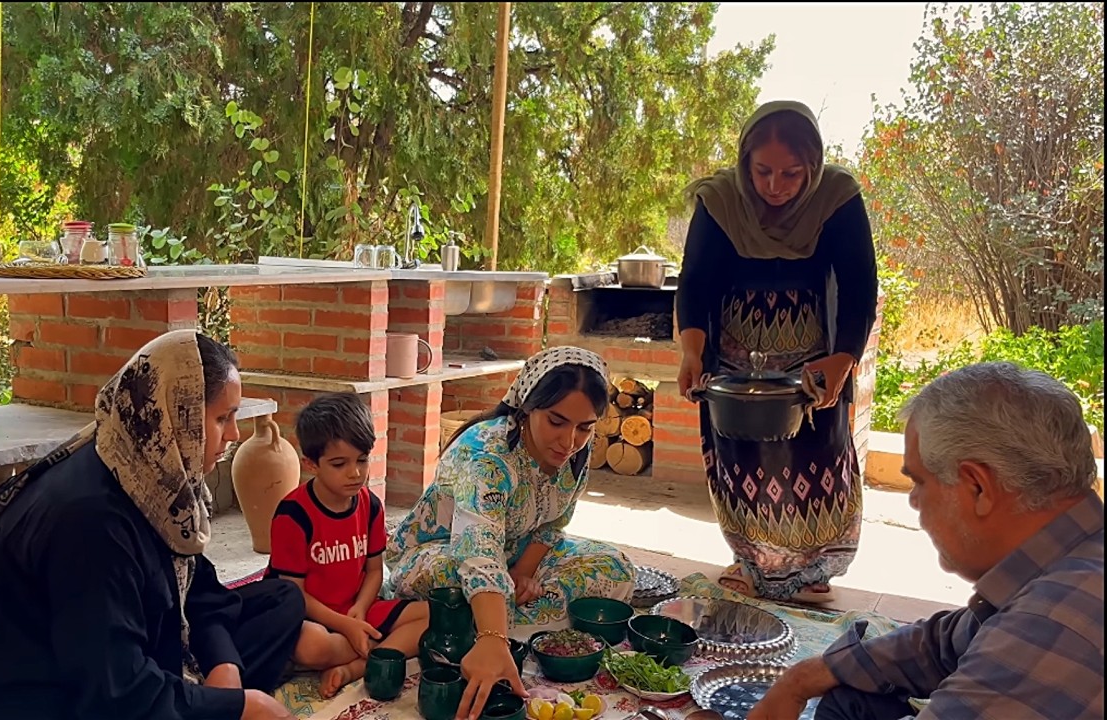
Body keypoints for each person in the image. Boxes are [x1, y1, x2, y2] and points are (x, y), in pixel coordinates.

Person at [0, 331, 303, 720]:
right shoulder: (91, 520)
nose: (233, 435)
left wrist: (223, 669)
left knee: (280, 603)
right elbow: (114, 692)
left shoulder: (150, 474)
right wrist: (239, 707)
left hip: (110, 651)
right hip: (39, 697)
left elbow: (198, 588)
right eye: (222, 418)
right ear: (175, 417)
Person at [748, 362, 1104, 720]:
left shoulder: (1051, 624)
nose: (914, 500)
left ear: (977, 487)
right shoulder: (1071, 561)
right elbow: (947, 644)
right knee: (855, 696)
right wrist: (804, 676)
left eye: (919, 482)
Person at [675, 99, 878, 603]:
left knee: (816, 455)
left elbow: (859, 287)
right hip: (734, 354)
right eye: (762, 171)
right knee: (742, 457)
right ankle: (751, 562)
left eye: (792, 174)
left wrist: (843, 358)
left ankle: (813, 568)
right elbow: (695, 282)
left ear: (814, 166)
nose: (775, 186)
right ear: (744, 162)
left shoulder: (837, 197)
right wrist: (691, 351)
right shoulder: (721, 200)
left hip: (811, 353)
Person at [384, 346, 636, 719]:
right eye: (556, 421)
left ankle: (481, 622)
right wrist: (493, 638)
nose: (569, 442)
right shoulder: (485, 456)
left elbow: (553, 523)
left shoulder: (579, 450)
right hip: (442, 555)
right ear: (528, 407)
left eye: (585, 426)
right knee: (457, 583)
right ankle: (492, 631)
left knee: (615, 569)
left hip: (513, 553)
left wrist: (523, 573)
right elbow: (478, 552)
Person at [267, 392, 430, 698]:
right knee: (311, 647)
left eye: (362, 459)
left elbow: (373, 572)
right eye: (339, 463)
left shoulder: (371, 506)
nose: (355, 473)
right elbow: (293, 594)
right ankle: (373, 650)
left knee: (431, 616)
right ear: (311, 464)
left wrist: (360, 609)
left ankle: (353, 668)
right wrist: (343, 624)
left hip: (358, 610)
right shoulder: (293, 514)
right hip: (313, 617)